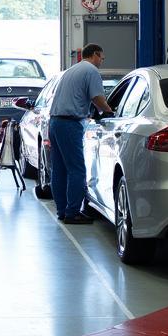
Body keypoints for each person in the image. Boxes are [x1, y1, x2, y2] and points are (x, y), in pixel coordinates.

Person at [48, 44, 112, 224]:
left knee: (59, 170)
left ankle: (62, 210)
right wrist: (108, 111)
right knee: (77, 169)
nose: (102, 61)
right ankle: (73, 212)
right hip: (69, 124)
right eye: (102, 57)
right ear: (95, 54)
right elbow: (97, 98)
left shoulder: (72, 70)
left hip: (55, 122)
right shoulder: (91, 70)